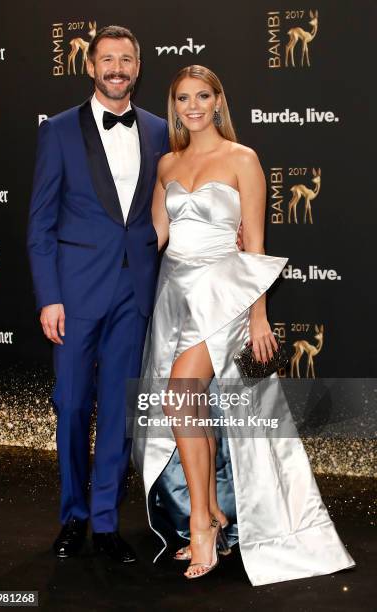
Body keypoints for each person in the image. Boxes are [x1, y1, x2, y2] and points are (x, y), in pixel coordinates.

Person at [132, 65, 355, 583]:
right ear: (175, 105)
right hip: (175, 294)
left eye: (202, 96)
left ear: (217, 101)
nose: (192, 106)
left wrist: (259, 313)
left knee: (181, 394)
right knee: (191, 406)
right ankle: (208, 512)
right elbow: (153, 239)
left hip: (226, 291)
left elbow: (255, 243)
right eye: (183, 97)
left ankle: (202, 526)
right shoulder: (167, 163)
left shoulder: (243, 159)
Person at [27, 25, 170, 563]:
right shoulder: (59, 131)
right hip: (75, 296)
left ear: (137, 67)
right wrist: (49, 296)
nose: (116, 68)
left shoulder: (159, 130)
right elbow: (40, 222)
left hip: (135, 293)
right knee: (70, 405)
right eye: (107, 59)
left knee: (117, 412)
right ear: (90, 66)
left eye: (126, 60)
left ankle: (106, 522)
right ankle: (73, 516)